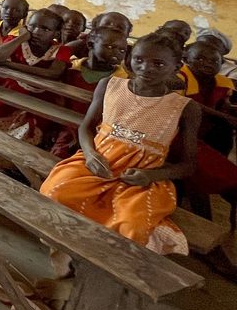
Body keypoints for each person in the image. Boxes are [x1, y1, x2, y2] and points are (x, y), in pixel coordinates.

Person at [41, 33, 200, 261]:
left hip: (139, 178)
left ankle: (97, 268)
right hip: (96, 163)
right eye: (139, 60)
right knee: (55, 192)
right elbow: (85, 128)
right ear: (128, 60)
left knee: (131, 224)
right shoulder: (110, 85)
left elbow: (188, 165)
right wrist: (90, 154)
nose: (146, 68)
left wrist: (150, 175)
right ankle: (66, 256)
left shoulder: (185, 107)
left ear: (177, 67)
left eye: (159, 63)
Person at [0, 9, 65, 161]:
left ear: (56, 34)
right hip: (10, 95)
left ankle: (13, 165)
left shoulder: (61, 49)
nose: (37, 32)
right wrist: (22, 37)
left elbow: (53, 73)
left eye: (45, 29)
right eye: (32, 26)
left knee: (27, 138)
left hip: (41, 101)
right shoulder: (17, 42)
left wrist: (9, 65)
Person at [177, 42, 237, 232]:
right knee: (198, 176)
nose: (207, 63)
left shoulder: (222, 83)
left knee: (225, 172)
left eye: (215, 60)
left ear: (223, 65)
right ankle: (207, 229)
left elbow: (224, 106)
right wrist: (223, 116)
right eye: (200, 58)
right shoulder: (179, 78)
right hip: (176, 137)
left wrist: (227, 110)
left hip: (198, 138)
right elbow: (185, 105)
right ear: (186, 59)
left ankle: (216, 226)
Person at [49, 27, 129, 158]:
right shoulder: (70, 67)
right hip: (61, 122)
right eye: (110, 46)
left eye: (122, 50)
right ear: (91, 44)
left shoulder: (122, 80)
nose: (117, 53)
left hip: (94, 131)